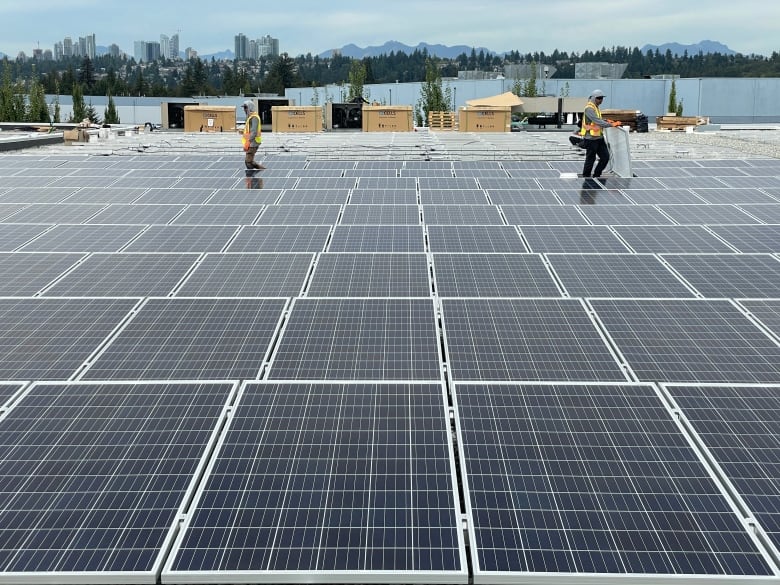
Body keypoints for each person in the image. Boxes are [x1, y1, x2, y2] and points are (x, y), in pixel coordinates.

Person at [579, 89, 618, 177]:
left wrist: (606, 120)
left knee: (605, 157)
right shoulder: (589, 108)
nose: (601, 100)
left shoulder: (595, 107)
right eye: (599, 98)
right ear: (593, 98)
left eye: (602, 98)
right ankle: (586, 177)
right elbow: (597, 121)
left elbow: (598, 119)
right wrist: (611, 124)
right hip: (591, 139)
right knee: (590, 159)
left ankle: (597, 175)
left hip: (599, 137)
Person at [241, 100, 266, 171]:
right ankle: (262, 170)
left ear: (250, 107)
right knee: (250, 161)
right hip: (250, 142)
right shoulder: (250, 117)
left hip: (253, 142)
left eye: (245, 107)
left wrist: (248, 142)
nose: (244, 110)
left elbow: (254, 132)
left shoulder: (254, 117)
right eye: (244, 108)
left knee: (248, 162)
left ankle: (253, 178)